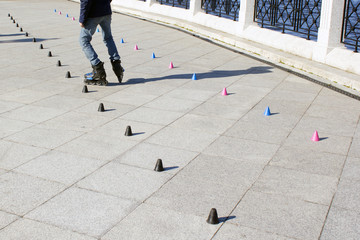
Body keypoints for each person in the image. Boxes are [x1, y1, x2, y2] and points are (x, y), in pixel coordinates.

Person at [79, 0, 124, 85]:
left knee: (83, 40)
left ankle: (98, 68)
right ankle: (117, 64)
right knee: (108, 38)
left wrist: (82, 18)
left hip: (93, 14)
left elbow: (85, 1)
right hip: (106, 11)